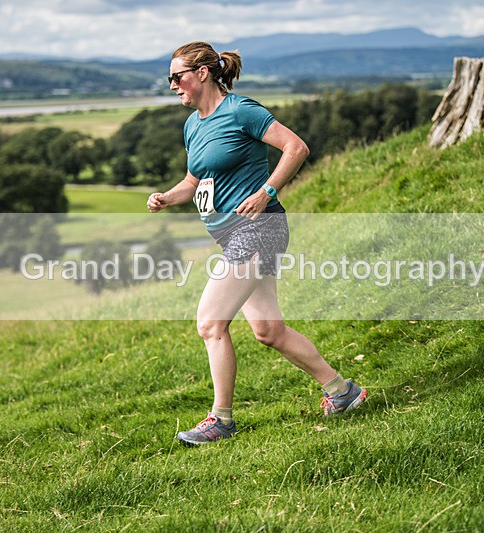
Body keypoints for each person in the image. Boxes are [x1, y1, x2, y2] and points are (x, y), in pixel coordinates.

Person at [147, 41, 367, 446]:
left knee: (210, 323)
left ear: (202, 73)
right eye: (170, 79)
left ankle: (221, 420)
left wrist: (267, 190)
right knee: (268, 330)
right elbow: (195, 181)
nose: (173, 85)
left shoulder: (241, 110)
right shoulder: (193, 124)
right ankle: (342, 391)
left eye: (176, 77)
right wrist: (167, 196)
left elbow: (296, 147)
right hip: (231, 235)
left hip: (259, 229)